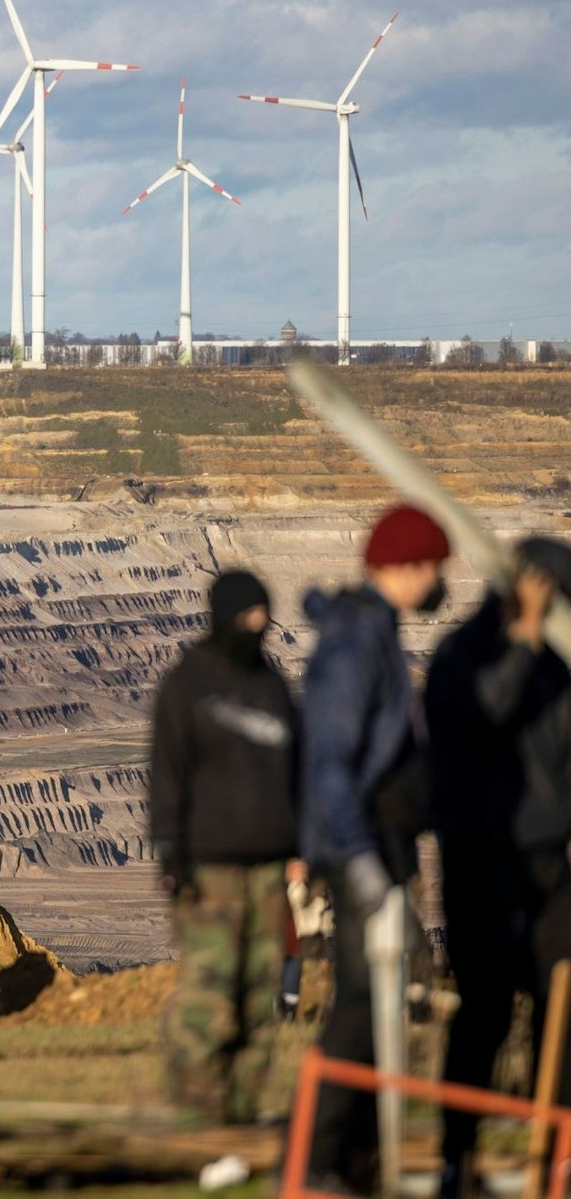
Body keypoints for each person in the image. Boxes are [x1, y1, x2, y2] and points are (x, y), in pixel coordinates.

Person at [301, 504, 451, 1190]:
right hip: (362, 849)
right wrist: (359, 858)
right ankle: (310, 1164)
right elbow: (330, 761)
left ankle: (354, 1163)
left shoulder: (375, 632)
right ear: (405, 567)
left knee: (379, 1007)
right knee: (359, 1011)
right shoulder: (357, 640)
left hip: (384, 847)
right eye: (432, 568)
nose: (438, 581)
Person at [427, 538, 571, 1191]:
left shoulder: (558, 663)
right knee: (484, 1010)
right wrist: (525, 641)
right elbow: (484, 712)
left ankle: (557, 1149)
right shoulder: (464, 655)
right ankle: (460, 1153)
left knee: (561, 1006)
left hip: (546, 860)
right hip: (481, 859)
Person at [148, 569, 298, 1125]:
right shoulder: (187, 687)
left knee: (261, 997)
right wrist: (171, 856)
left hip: (269, 869)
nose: (256, 627)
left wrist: (301, 845)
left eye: (264, 615)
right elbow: (167, 776)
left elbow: (295, 771)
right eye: (247, 616)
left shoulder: (272, 686)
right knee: (210, 996)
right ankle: (195, 1112)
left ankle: (242, 1109)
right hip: (209, 869)